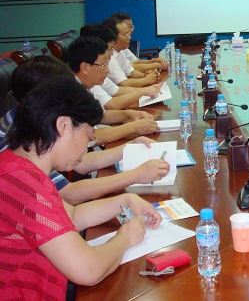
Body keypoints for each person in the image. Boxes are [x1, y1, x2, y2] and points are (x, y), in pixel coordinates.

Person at [0, 76, 161, 300]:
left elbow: (72, 216)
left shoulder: (18, 166)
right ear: (63, 125)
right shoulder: (22, 182)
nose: (87, 146)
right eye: (88, 134)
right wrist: (125, 238)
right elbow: (89, 270)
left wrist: (125, 201)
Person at [0, 55, 170, 205]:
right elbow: (69, 194)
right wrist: (136, 175)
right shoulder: (19, 138)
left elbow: (82, 163)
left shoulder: (31, 121)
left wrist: (129, 147)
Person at [67, 36, 160, 145]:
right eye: (103, 64)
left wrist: (129, 114)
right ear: (85, 68)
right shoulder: (70, 94)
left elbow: (102, 116)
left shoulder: (88, 83)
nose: (107, 70)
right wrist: (133, 127)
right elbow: (91, 137)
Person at [80, 24, 162, 110]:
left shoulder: (99, 66)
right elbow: (111, 104)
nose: (107, 70)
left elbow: (116, 90)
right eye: (110, 48)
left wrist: (146, 86)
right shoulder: (90, 72)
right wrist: (145, 85)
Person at [103, 17, 160, 88]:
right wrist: (147, 79)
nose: (129, 37)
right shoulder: (109, 57)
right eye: (126, 34)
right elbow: (123, 83)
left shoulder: (120, 52)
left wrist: (147, 76)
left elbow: (131, 72)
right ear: (114, 37)